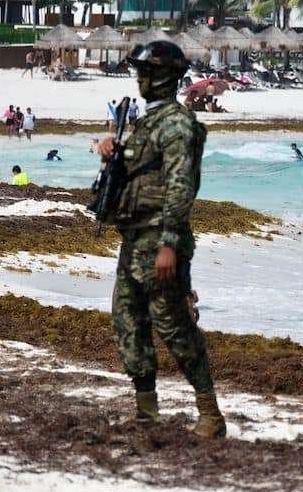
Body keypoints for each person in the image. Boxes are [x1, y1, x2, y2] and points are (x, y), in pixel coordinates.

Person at [95, 40, 225, 438]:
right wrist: (109, 153)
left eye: (146, 72)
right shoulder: (147, 124)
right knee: (128, 324)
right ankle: (146, 410)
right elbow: (135, 175)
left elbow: (180, 186)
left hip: (160, 238)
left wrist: (169, 244)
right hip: (134, 238)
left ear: (164, 78)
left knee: (174, 327)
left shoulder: (177, 125)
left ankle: (209, 413)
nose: (140, 79)